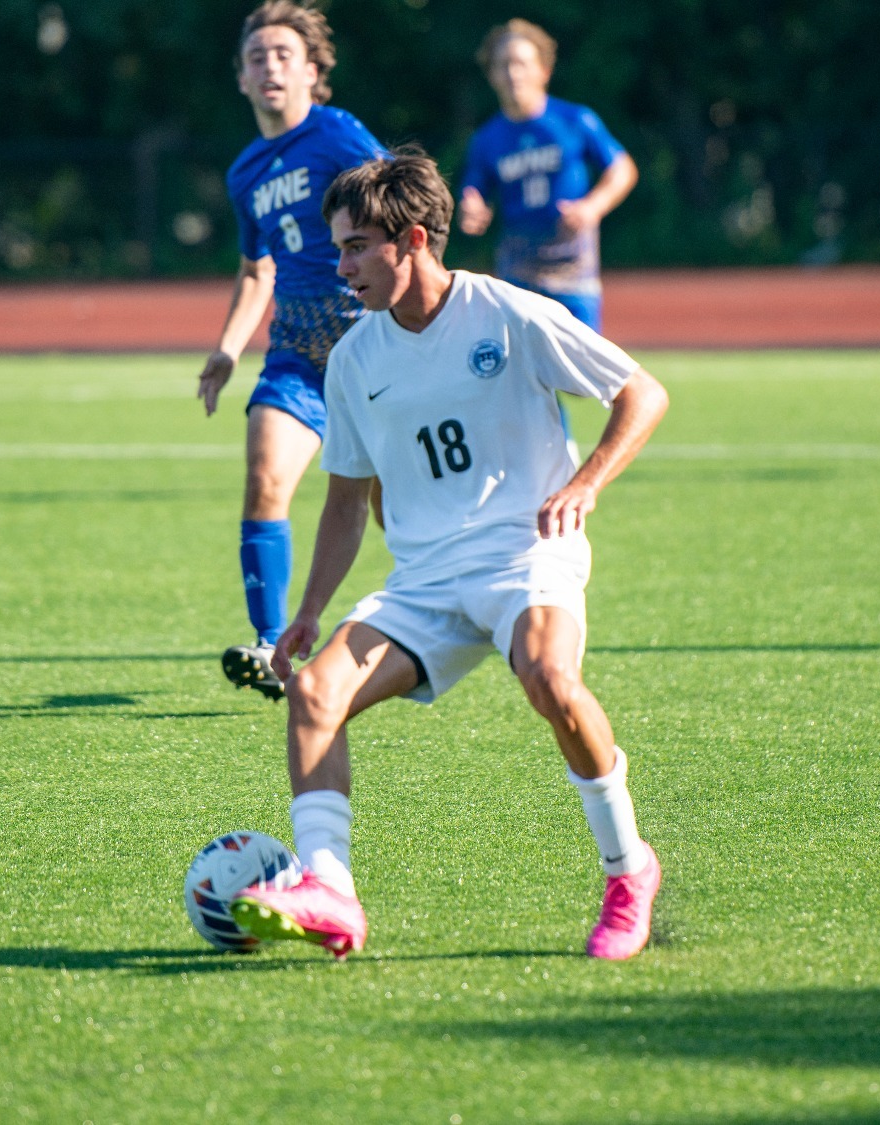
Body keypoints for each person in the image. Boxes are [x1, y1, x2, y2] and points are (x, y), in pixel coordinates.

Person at [228, 150, 672, 962]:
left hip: (524, 555)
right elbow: (344, 500)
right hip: (424, 582)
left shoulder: (509, 314)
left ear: (417, 240)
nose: (343, 265)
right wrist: (311, 611)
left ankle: (628, 868)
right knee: (315, 694)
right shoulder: (355, 358)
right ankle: (330, 889)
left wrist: (587, 484)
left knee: (550, 680)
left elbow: (643, 393)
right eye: (339, 248)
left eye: (358, 245)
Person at [202, 2, 388, 698]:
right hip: (297, 356)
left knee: (390, 512)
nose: (270, 66)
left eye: (284, 54)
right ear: (242, 80)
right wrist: (227, 349)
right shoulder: (245, 171)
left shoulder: (338, 135)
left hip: (370, 351)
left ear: (314, 72)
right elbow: (258, 272)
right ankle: (268, 645)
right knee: (264, 478)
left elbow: (403, 202)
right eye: (257, 57)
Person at [457, 19, 637, 332]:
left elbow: (622, 169)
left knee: (584, 368)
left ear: (544, 70)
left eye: (521, 63)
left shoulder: (574, 120)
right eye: (503, 65)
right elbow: (474, 189)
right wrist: (470, 206)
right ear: (491, 75)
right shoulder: (487, 139)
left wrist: (593, 206)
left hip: (572, 267)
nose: (513, 74)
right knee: (519, 370)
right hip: (518, 269)